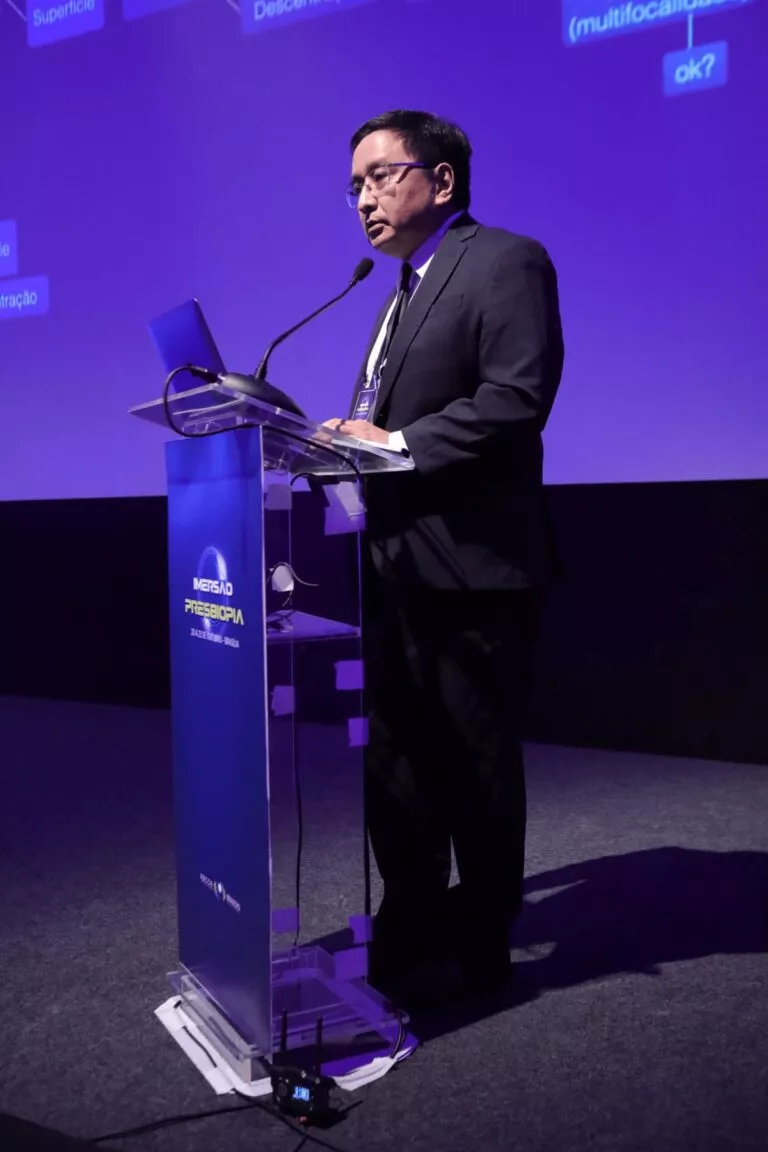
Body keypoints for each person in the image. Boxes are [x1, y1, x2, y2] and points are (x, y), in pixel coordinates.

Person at [323, 110, 564, 1009]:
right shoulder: (395, 293)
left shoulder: (505, 261)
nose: (364, 198)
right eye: (354, 185)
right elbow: (383, 426)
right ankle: (414, 915)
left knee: (474, 760)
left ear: (442, 180)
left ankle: (485, 944)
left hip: (473, 569)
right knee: (394, 757)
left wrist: (391, 442)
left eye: (380, 176)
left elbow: (516, 398)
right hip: (393, 569)